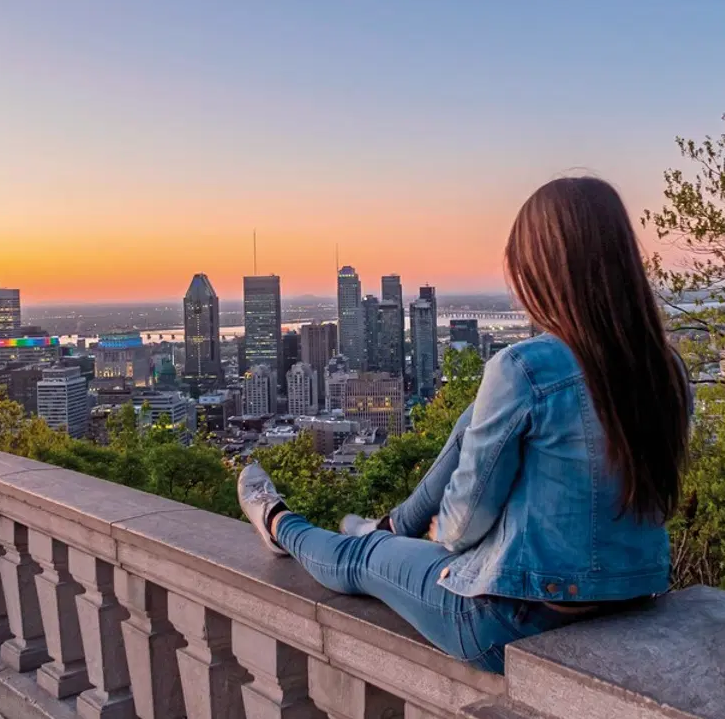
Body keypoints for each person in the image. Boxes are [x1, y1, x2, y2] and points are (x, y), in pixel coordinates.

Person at [237, 177, 693, 673]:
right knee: (474, 416)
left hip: (514, 619)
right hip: (629, 598)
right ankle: (394, 523)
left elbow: (462, 527)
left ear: (541, 270)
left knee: (363, 557)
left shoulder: (524, 368)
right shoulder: (666, 369)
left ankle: (277, 521)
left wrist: (442, 531)